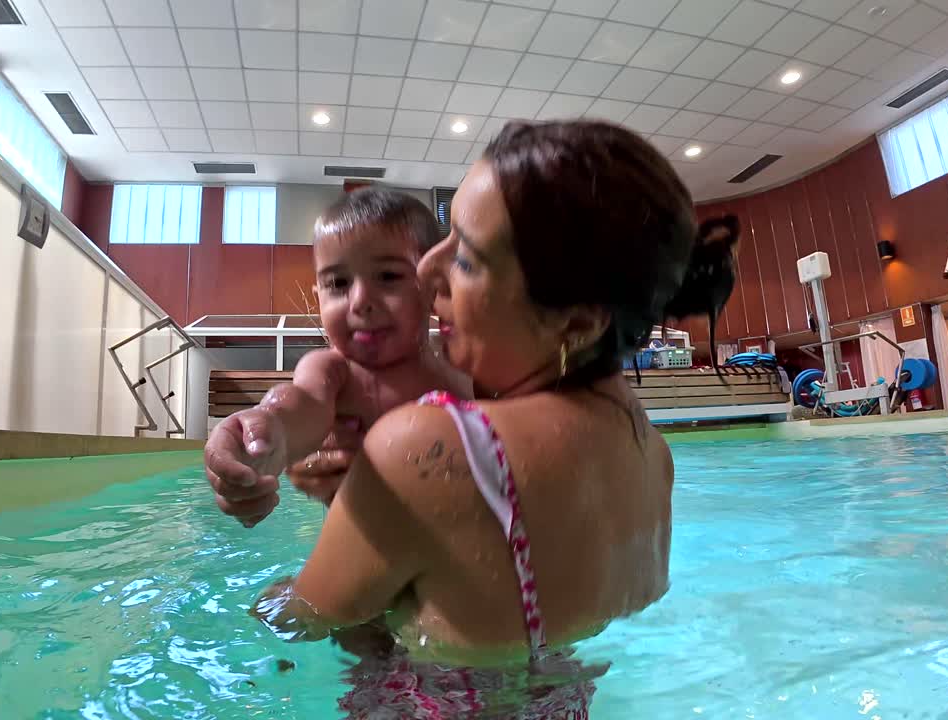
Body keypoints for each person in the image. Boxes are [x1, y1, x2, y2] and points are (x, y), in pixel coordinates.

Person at [215, 119, 720, 717]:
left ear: (578, 322)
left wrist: (279, 592)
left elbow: (303, 617)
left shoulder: (429, 447)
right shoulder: (653, 456)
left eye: (466, 258)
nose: (429, 271)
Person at [204, 188, 468, 526]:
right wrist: (267, 432)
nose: (360, 301)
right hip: (362, 545)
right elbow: (301, 404)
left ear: (433, 287)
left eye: (388, 276)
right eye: (339, 282)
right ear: (319, 298)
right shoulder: (334, 371)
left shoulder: (458, 364)